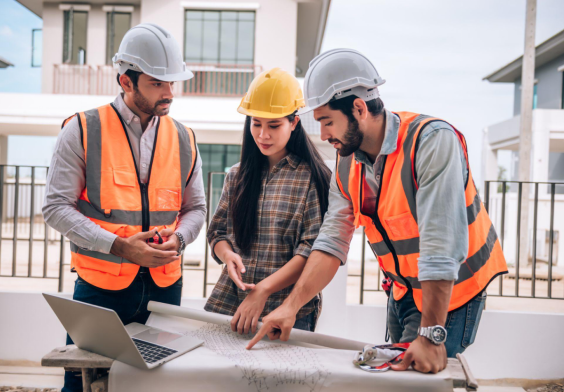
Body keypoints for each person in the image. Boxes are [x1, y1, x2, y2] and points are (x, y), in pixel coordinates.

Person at [247, 49, 508, 374]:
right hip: (402, 291)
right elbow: (330, 242)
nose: (324, 135)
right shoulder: (347, 161)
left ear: (359, 108)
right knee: (394, 377)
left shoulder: (431, 142)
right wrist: (290, 307)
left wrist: (430, 336)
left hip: (452, 293)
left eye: (328, 122)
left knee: (419, 376)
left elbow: (440, 248)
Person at [43, 23, 206, 391]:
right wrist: (120, 247)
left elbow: (196, 208)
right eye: (157, 83)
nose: (168, 93)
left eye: (171, 83)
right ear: (126, 81)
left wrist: (179, 240)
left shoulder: (184, 137)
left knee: (154, 385)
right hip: (100, 289)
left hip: (166, 289)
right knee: (83, 384)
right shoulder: (82, 129)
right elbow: (55, 207)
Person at [204, 68, 331, 334]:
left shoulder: (312, 179)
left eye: (274, 125)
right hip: (232, 304)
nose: (263, 135)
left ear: (294, 123)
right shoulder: (237, 176)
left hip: (286, 311)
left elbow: (310, 251)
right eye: (256, 123)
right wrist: (228, 256)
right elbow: (217, 232)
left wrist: (263, 290)